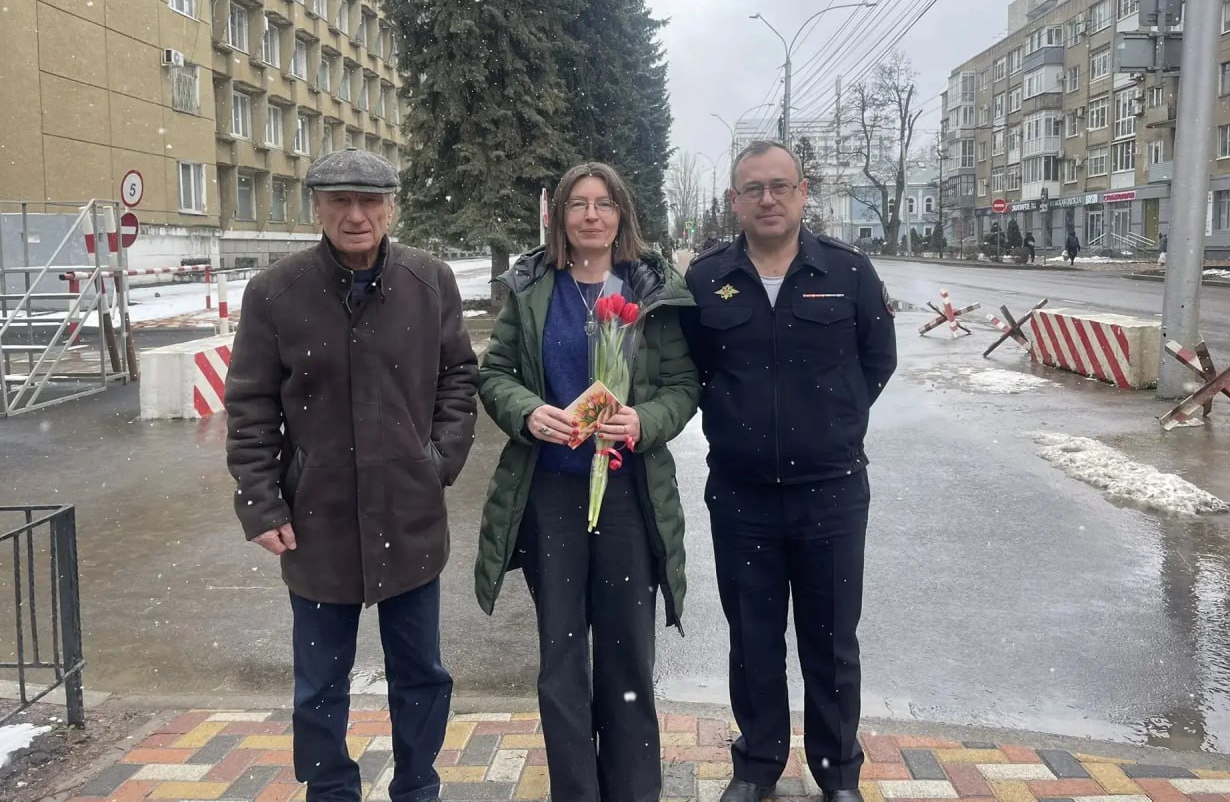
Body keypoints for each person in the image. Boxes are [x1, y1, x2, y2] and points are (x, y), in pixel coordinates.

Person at [226, 149, 479, 802]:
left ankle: (418, 785)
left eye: (370, 201)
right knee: (318, 686)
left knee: (421, 675)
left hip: (409, 516)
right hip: (317, 522)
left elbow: (458, 377)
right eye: (340, 200)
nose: (356, 215)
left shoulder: (429, 282)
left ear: (392, 208)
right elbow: (251, 405)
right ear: (317, 207)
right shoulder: (275, 293)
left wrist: (437, 460)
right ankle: (331, 790)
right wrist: (262, 502)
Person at [474, 162, 700, 802]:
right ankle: (575, 791)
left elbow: (684, 385)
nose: (591, 215)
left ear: (622, 214)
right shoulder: (532, 288)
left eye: (604, 203)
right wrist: (527, 411)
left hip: (627, 496)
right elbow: (494, 374)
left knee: (628, 658)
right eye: (578, 204)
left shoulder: (651, 290)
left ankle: (632, 791)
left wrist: (644, 420)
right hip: (553, 496)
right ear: (560, 216)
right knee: (562, 660)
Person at [683, 140, 898, 802]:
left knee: (832, 643)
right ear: (734, 201)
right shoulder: (707, 280)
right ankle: (757, 766)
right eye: (754, 189)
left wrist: (831, 422)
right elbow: (694, 370)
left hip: (831, 494)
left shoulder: (848, 270)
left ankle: (838, 774)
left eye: (781, 186)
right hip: (741, 496)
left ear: (804, 193)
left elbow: (878, 360)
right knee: (752, 641)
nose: (768, 199)